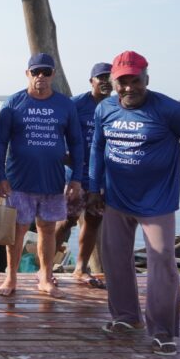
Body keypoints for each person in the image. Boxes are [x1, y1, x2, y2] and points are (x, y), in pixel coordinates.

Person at [90, 51, 180, 356]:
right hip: (116, 196)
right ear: (113, 82)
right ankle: (127, 317)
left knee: (162, 262)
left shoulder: (170, 110)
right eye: (122, 82)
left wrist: (174, 169)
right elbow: (97, 146)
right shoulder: (105, 109)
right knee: (114, 258)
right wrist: (93, 186)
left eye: (135, 80)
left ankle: (163, 331)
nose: (129, 87)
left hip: (157, 201)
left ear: (147, 80)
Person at [0, 53, 84, 298]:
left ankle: (45, 277)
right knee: (17, 230)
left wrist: (76, 177)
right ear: (28, 74)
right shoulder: (14, 103)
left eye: (46, 72)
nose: (41, 77)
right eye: (36, 72)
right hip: (18, 182)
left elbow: (76, 143)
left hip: (53, 181)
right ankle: (10, 277)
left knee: (47, 229)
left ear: (53, 75)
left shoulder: (65, 105)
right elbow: (0, 143)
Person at [55, 62, 112, 289]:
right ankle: (45, 268)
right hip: (76, 176)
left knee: (93, 222)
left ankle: (81, 268)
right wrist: (63, 153)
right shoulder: (75, 104)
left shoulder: (116, 106)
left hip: (102, 178)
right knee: (64, 221)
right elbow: (56, 128)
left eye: (110, 77)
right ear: (92, 81)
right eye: (101, 78)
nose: (106, 82)